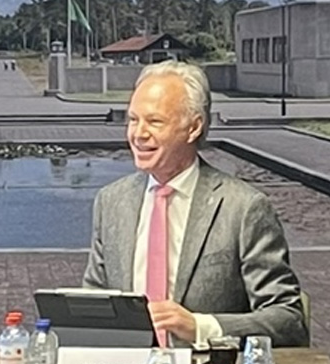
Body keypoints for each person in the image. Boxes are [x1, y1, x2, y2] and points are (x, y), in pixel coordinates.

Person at [82, 61, 308, 347]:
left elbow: (288, 320)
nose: (138, 134)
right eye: (133, 120)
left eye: (154, 122)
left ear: (193, 127)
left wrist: (202, 327)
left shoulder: (243, 208)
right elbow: (93, 303)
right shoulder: (111, 202)